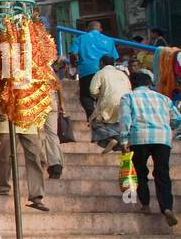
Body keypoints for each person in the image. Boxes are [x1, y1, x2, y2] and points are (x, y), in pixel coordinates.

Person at [119, 70, 181, 228]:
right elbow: (177, 119)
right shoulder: (163, 98)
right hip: (162, 138)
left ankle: (145, 204)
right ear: (149, 83)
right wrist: (170, 129)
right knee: (162, 173)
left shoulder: (128, 97)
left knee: (140, 172)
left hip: (139, 137)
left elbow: (126, 119)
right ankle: (166, 207)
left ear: (133, 84)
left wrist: (124, 139)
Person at [0, 114, 48, 211]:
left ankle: (36, 196)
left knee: (35, 158)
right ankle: (2, 187)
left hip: (28, 119)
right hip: (7, 118)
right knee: (5, 157)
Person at [72, 22, 120, 120]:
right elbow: (114, 57)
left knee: (86, 96)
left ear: (87, 29)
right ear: (101, 29)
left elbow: (73, 54)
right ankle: (104, 117)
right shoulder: (109, 40)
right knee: (104, 94)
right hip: (106, 72)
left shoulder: (80, 39)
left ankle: (92, 117)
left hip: (87, 71)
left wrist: (74, 63)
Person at [88, 54, 132, 152]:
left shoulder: (100, 73)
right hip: (124, 104)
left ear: (101, 63)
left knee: (95, 123)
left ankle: (111, 139)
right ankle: (120, 142)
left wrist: (99, 95)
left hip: (107, 103)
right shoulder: (122, 74)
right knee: (118, 125)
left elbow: (92, 91)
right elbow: (130, 90)